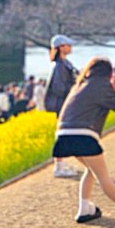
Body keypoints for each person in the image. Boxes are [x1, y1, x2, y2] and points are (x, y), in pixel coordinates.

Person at [52, 57, 115, 225]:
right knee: (103, 176)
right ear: (109, 73)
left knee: (91, 170)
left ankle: (85, 208)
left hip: (63, 135)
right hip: (83, 135)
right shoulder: (101, 85)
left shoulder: (80, 85)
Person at [45, 34, 81, 179]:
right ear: (61, 47)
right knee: (62, 134)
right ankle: (59, 166)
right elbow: (59, 88)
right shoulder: (60, 66)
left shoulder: (64, 64)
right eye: (67, 45)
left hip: (64, 104)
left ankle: (61, 164)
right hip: (62, 104)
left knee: (64, 133)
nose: (70, 47)